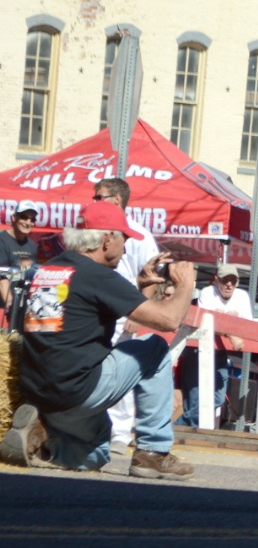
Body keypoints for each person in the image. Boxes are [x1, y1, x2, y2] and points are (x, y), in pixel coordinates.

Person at [1, 202, 195, 478]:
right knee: (155, 348)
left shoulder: (47, 270)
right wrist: (186, 285)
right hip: (79, 389)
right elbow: (169, 320)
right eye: (124, 238)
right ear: (106, 239)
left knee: (98, 454)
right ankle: (153, 452)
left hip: (40, 392)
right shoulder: (98, 275)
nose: (126, 248)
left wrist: (140, 286)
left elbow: (81, 313)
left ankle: (43, 438)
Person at [91, 177, 158, 450]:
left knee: (121, 370)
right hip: (97, 311)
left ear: (116, 200)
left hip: (123, 314)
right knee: (95, 368)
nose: (94, 201)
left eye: (99, 197)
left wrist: (137, 313)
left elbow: (151, 275)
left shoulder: (139, 235)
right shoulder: (97, 232)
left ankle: (119, 432)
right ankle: (95, 427)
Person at [177, 263, 255, 427]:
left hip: (219, 353)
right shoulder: (207, 293)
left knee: (218, 398)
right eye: (225, 280)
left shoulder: (242, 297)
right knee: (194, 399)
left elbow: (248, 325)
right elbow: (207, 322)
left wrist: (233, 332)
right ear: (217, 281)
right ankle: (186, 434)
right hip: (195, 350)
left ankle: (178, 426)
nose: (229, 284)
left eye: (233, 281)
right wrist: (231, 333)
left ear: (237, 282)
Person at [0, 199, 42, 320]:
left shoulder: (32, 245)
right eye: (24, 217)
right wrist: (10, 304)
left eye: (32, 219)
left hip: (23, 308)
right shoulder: (2, 240)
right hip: (4, 308)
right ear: (14, 217)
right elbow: (1, 277)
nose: (28, 222)